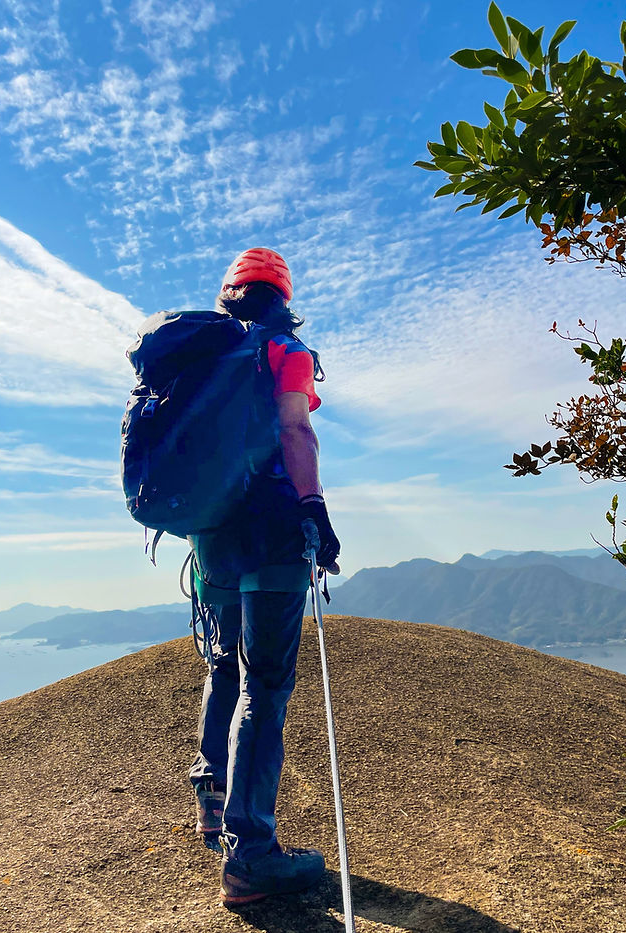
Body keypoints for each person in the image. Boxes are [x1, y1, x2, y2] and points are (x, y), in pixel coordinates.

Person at [187, 247, 341, 907]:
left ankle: (212, 800)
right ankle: (250, 855)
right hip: (273, 530)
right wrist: (314, 508)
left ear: (229, 295)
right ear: (283, 297)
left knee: (225, 663)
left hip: (212, 534)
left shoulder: (204, 357)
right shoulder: (284, 350)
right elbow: (294, 430)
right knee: (266, 682)